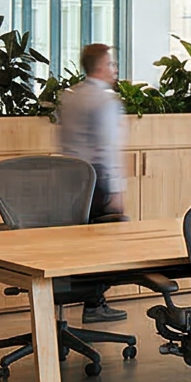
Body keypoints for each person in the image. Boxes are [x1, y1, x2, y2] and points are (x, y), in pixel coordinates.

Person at [56, 42, 129, 323]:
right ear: (99, 67)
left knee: (78, 240)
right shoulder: (105, 101)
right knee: (107, 240)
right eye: (111, 64)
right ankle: (94, 303)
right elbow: (108, 147)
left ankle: (81, 298)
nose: (115, 69)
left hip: (68, 180)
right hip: (97, 180)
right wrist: (117, 189)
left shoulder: (70, 96)